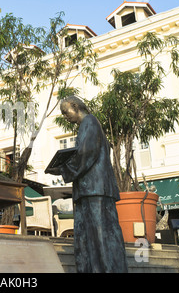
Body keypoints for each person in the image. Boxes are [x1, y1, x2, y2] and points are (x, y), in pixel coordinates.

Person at [46, 96, 128, 273]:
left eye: (65, 112)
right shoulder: (88, 125)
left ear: (75, 106)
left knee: (99, 235)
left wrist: (62, 169)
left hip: (95, 188)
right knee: (88, 236)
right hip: (88, 188)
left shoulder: (89, 122)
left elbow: (86, 153)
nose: (65, 117)